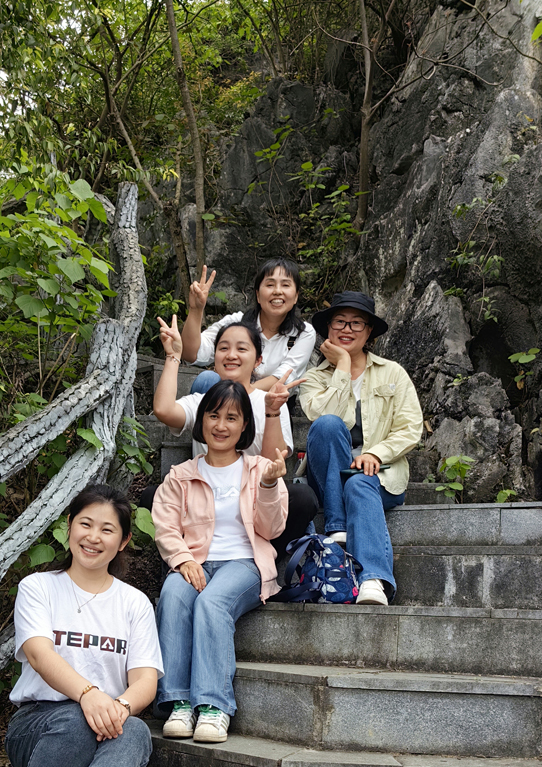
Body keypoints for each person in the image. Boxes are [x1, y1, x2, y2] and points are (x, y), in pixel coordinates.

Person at [0, 484, 162, 767]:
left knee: (136, 732)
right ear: (68, 528)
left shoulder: (134, 603)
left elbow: (145, 681)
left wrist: (118, 707)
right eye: (85, 523)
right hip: (38, 727)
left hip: (103, 724)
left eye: (107, 529)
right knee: (75, 718)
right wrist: (88, 695)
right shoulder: (39, 587)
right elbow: (38, 652)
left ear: (123, 541)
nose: (93, 536)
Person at [152, 376, 288, 745]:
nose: (221, 425)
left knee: (212, 603)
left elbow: (272, 529)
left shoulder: (261, 469)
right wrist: (182, 560)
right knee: (175, 596)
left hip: (244, 563)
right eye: (213, 416)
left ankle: (213, 707)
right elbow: (165, 525)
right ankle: (179, 701)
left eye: (232, 417)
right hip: (194, 561)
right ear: (202, 422)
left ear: (245, 424)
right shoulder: (181, 475)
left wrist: (270, 486)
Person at [151, 315, 316, 557]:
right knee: (154, 496)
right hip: (206, 502)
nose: (231, 355)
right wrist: (173, 356)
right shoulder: (203, 403)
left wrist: (272, 411)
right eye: (223, 348)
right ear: (214, 358)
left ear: (258, 360)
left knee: (302, 498)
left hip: (256, 508)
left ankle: (262, 558)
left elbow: (273, 464)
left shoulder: (268, 401)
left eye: (241, 348)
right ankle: (192, 557)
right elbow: (164, 410)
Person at [299, 291, 423, 606]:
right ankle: (337, 527)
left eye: (357, 323)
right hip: (326, 475)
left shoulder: (392, 373)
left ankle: (373, 581)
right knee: (328, 424)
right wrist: (341, 366)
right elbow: (318, 417)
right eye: (340, 321)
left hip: (381, 475)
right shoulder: (314, 378)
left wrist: (375, 454)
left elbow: (410, 428)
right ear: (328, 327)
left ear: (369, 332)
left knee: (359, 483)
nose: (347, 328)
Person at [180, 258, 317, 395]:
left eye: (285, 285)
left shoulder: (303, 333)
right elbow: (191, 354)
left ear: (295, 297)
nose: (277, 291)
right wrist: (196, 309)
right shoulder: (236, 323)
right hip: (227, 403)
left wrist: (241, 392)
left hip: (272, 407)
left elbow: (283, 377)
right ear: (258, 295)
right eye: (270, 285)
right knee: (207, 379)